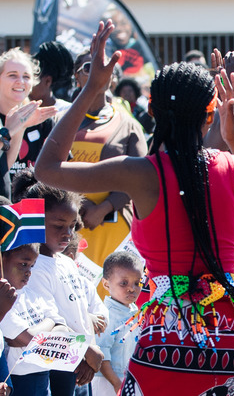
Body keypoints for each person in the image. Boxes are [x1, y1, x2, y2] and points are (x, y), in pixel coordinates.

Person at [35, 20, 234, 395]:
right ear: (210, 114)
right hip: (233, 345)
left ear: (150, 110)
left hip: (162, 350)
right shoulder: (233, 167)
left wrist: (92, 89)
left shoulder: (140, 173)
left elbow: (46, 168)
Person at [60, 49, 148, 297]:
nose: (97, 71)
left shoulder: (128, 123)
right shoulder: (61, 121)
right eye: (88, 67)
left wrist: (105, 207)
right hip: (70, 227)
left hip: (116, 226)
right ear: (76, 77)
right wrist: (78, 205)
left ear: (113, 76)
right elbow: (48, 169)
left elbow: (141, 175)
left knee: (116, 300)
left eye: (105, 67)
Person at [12, 168, 107, 396]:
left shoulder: (65, 261)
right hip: (53, 363)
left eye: (72, 226)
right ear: (35, 220)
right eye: (58, 225)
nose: (68, 233)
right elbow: (50, 320)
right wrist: (85, 352)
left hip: (78, 361)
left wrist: (87, 354)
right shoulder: (32, 267)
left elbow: (81, 308)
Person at [0, 243, 68, 396]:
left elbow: (62, 327)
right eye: (23, 264)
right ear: (2, 260)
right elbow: (31, 339)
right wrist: (49, 324)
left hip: (43, 376)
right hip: (17, 381)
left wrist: (43, 331)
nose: (29, 272)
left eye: (32, 266)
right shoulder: (2, 300)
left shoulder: (31, 293)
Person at [0, 48, 58, 197]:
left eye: (26, 76)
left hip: (30, 212)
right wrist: (8, 131)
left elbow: (5, 165)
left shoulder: (42, 120)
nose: (20, 81)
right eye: (12, 75)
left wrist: (20, 127)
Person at [92, 251, 143, 396]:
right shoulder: (106, 315)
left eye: (137, 283)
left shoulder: (135, 311)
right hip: (108, 382)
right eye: (124, 283)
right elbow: (101, 356)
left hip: (127, 379)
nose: (132, 288)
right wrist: (117, 384)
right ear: (106, 284)